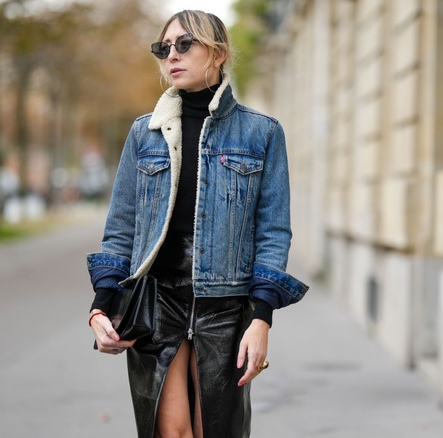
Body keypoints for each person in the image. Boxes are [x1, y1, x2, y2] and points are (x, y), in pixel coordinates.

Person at [86, 10, 308, 438]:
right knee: (171, 432)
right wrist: (100, 306)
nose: (172, 55)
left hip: (224, 308)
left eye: (184, 44)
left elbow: (273, 233)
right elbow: (121, 229)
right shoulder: (144, 133)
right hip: (156, 305)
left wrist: (261, 319)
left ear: (218, 52)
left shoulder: (261, 133)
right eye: (163, 48)